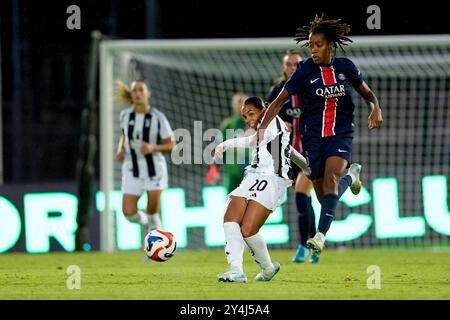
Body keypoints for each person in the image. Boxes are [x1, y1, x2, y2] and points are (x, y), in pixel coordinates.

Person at [258, 14, 383, 258]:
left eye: (318, 44)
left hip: (341, 135)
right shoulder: (304, 71)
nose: (313, 50)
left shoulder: (346, 67)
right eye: (311, 45)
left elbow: (367, 94)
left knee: (331, 179)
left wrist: (375, 108)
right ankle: (353, 175)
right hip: (313, 138)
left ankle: (319, 236)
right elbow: (277, 102)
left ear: (330, 45)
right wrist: (262, 129)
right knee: (323, 194)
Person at [214, 96, 310, 283]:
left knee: (248, 230)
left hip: (272, 179)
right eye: (245, 116)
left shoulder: (272, 121)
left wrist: (308, 169)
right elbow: (285, 149)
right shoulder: (266, 128)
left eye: (251, 113)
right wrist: (307, 167)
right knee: (230, 216)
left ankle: (266, 268)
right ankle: (236, 270)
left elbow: (259, 140)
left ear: (263, 109)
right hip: (252, 176)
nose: (249, 119)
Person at [267, 49, 318, 264]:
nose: (292, 68)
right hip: (287, 154)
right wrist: (280, 125)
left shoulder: (312, 89)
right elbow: (266, 118)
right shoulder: (278, 91)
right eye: (289, 64)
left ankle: (302, 246)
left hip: (310, 151)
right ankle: (316, 244)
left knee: (300, 193)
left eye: (297, 64)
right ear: (284, 67)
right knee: (303, 198)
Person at [115, 80, 176, 233]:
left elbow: (172, 144)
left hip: (154, 169)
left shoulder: (157, 117)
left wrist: (153, 147)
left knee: (153, 213)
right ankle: (147, 223)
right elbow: (124, 135)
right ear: (131, 94)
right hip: (131, 168)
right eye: (134, 90)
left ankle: (158, 250)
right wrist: (120, 149)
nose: (137, 93)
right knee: (128, 213)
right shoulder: (125, 115)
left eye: (141, 90)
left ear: (148, 93)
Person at [206, 93, 251, 193]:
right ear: (233, 105)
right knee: (232, 203)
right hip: (233, 172)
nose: (241, 105)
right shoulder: (229, 124)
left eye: (243, 102)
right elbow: (220, 147)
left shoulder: (256, 122)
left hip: (253, 171)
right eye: (238, 102)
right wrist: (214, 167)